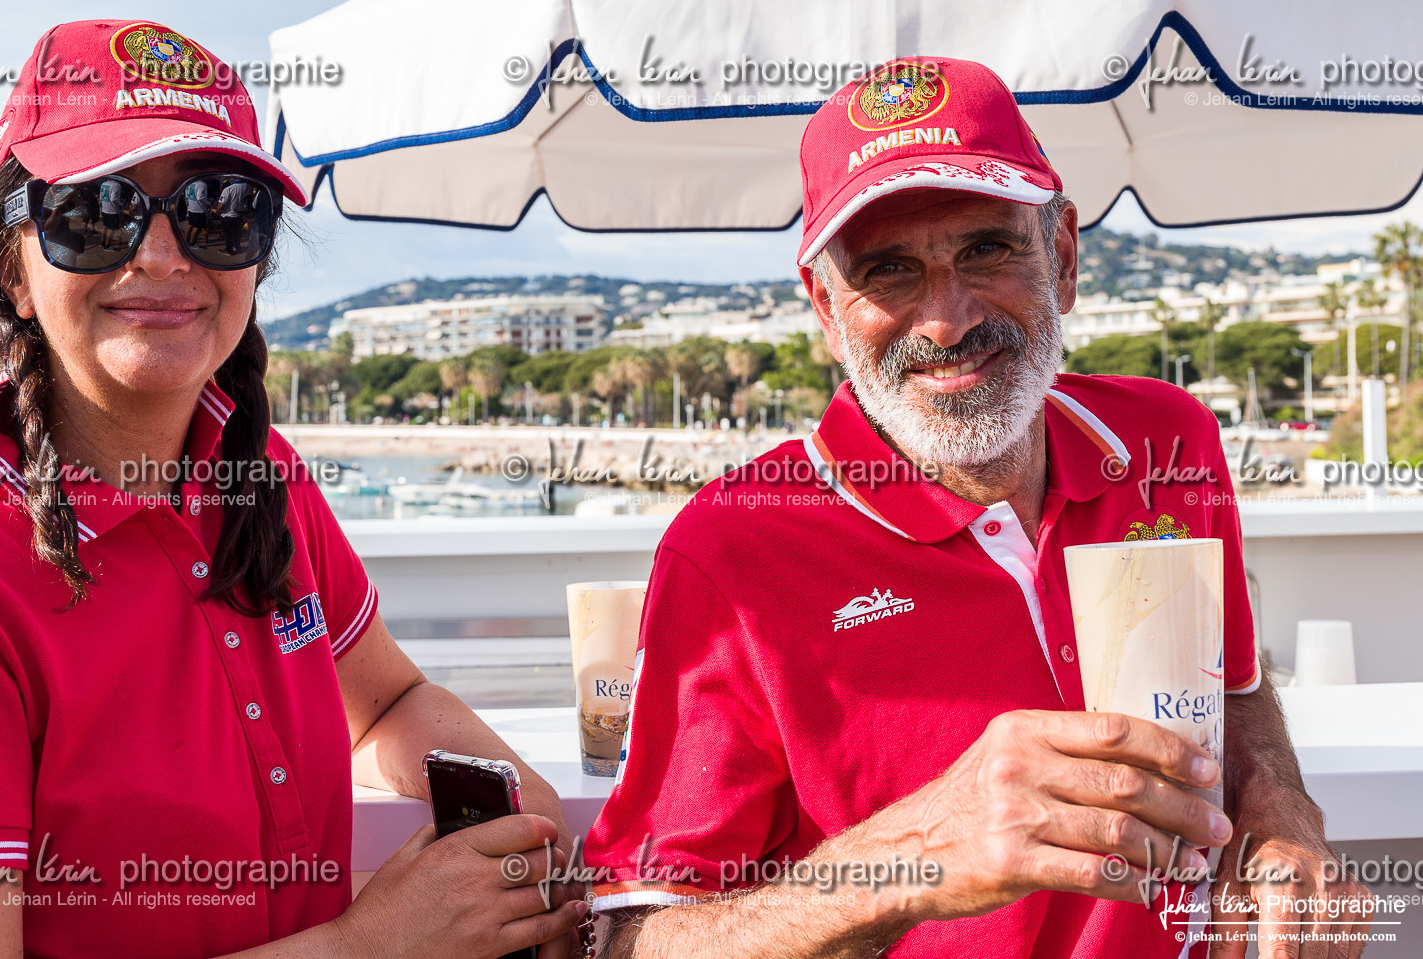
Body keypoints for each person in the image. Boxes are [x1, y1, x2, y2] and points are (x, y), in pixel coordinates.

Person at [0, 20, 586, 958]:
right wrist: (374, 945)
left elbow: (386, 703)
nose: (160, 255)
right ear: (11, 269)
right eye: (95, 212)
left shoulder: (263, 483)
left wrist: (527, 820)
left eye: (218, 210)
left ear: (255, 262)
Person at [584, 57, 1371, 958]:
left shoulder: (1169, 441)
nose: (947, 319)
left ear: (1064, 257)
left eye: (985, 249)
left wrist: (1280, 803)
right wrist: (916, 854)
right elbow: (626, 939)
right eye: (888, 271)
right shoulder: (732, 550)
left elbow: (1235, 684)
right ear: (828, 314)